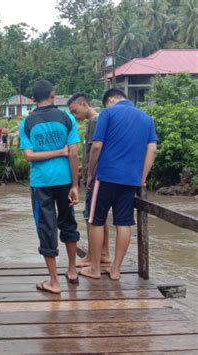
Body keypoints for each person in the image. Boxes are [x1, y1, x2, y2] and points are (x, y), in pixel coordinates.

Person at [80, 88, 157, 280]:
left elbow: (96, 146)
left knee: (96, 220)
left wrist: (90, 174)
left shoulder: (108, 113)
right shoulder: (147, 119)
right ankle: (115, 270)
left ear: (112, 100)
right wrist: (142, 178)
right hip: (130, 180)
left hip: (106, 176)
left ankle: (95, 269)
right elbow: (152, 151)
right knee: (124, 222)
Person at [20, 80, 81, 294]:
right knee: (68, 222)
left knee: (46, 227)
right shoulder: (67, 118)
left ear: (34, 99)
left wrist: (52, 153)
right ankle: (72, 271)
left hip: (41, 183)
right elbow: (73, 153)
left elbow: (29, 156)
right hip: (65, 181)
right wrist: (75, 185)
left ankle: (54, 281)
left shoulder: (26, 123)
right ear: (53, 95)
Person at [67, 93, 110, 267]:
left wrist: (89, 173)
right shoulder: (98, 120)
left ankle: (93, 257)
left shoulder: (94, 122)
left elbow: (95, 150)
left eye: (74, 111)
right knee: (98, 217)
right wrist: (83, 168)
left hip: (95, 178)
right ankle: (103, 253)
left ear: (84, 104)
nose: (74, 116)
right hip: (98, 175)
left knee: (90, 217)